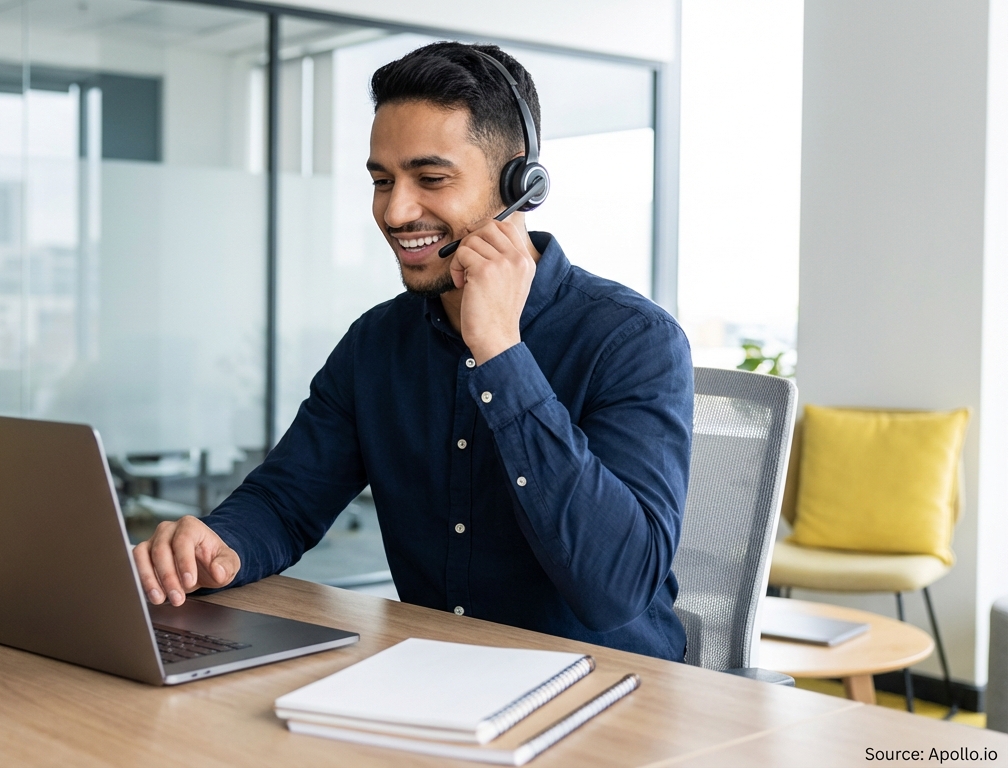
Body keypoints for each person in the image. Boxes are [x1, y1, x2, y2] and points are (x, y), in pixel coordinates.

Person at [132, 42, 693, 660]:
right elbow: (285, 501)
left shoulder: (633, 340)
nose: (396, 211)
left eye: (431, 179)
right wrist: (217, 546)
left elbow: (615, 591)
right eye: (381, 181)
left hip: (612, 696)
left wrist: (501, 352)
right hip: (435, 679)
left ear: (521, 182)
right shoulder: (377, 343)